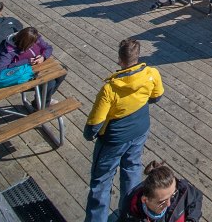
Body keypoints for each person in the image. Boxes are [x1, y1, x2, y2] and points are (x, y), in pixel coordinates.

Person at [84, 38, 165, 222]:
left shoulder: (110, 88)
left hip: (114, 139)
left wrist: (89, 134)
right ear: (138, 56)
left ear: (120, 60)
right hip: (140, 129)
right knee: (132, 169)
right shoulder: (151, 73)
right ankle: (129, 213)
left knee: (101, 181)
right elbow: (157, 96)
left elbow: (94, 124)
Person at [118, 161, 203, 222]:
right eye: (162, 202)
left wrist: (192, 219)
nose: (168, 204)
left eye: (173, 194)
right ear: (144, 200)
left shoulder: (181, 189)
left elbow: (196, 198)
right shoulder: (131, 212)